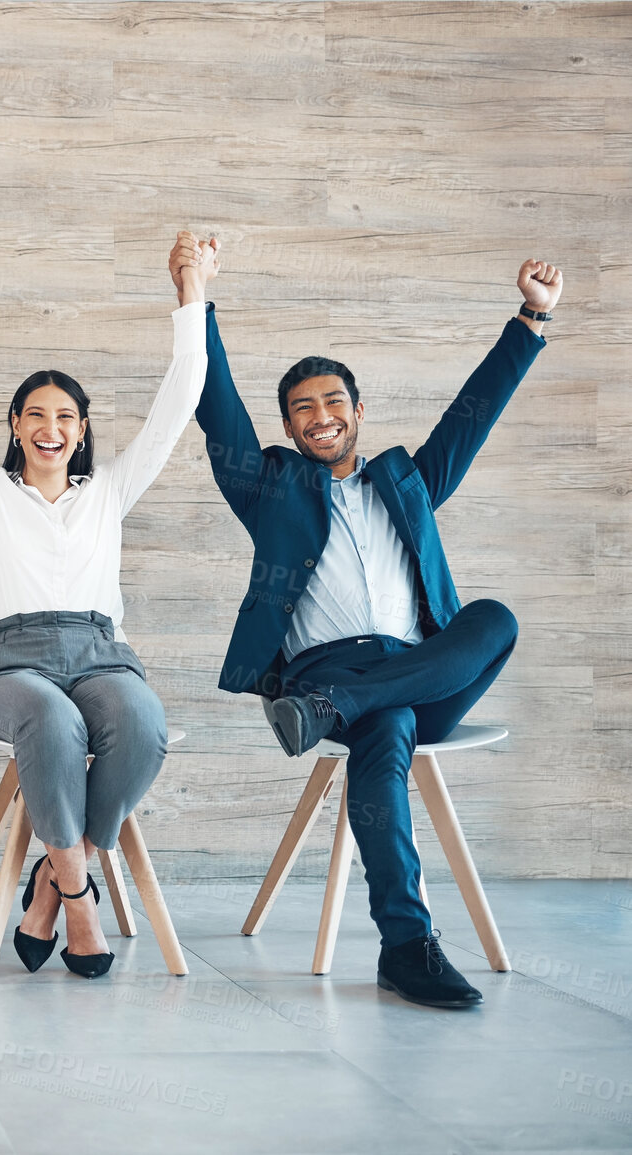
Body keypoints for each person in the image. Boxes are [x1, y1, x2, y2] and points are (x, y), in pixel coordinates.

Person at [196, 256, 562, 1007]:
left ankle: (339, 709)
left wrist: (531, 318)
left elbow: (473, 412)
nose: (319, 413)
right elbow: (218, 406)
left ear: (358, 411)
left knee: (493, 617)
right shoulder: (267, 486)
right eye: (301, 406)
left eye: (333, 399)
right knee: (385, 726)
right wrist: (193, 299)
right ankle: (405, 946)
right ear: (288, 427)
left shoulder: (407, 483)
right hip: (322, 674)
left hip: (409, 672)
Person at [0, 196, 215, 978]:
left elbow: (181, 396)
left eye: (65, 415)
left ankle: (53, 881)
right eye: (34, 415)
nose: (49, 426)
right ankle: (80, 901)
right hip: (8, 666)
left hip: (100, 653)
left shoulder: (108, 493)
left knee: (143, 721)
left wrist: (191, 291)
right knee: (51, 722)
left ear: (82, 430)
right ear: (14, 426)